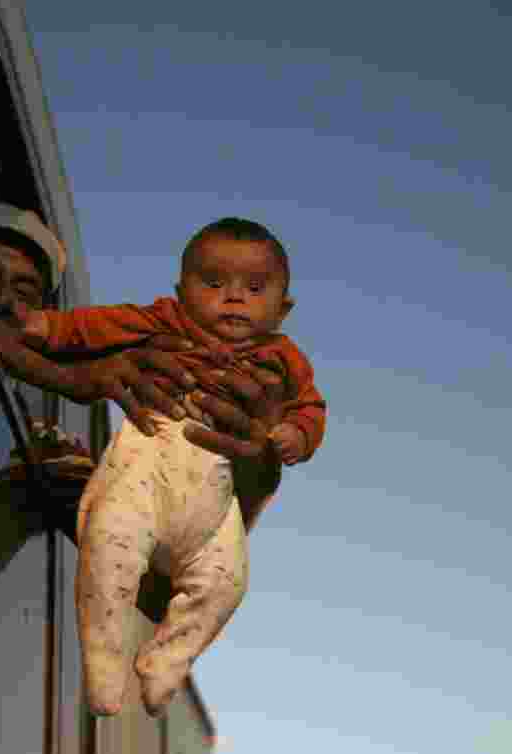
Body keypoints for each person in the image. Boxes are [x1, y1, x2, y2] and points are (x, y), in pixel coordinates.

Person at [18, 217, 327, 717]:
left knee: (227, 582)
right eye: (213, 283)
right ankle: (103, 659)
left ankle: (167, 659)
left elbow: (311, 408)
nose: (233, 298)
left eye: (254, 288)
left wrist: (295, 435)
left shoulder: (286, 360)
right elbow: (97, 325)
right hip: (149, 461)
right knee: (108, 550)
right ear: (181, 291)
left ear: (284, 308)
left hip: (214, 493)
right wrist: (47, 327)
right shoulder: (164, 322)